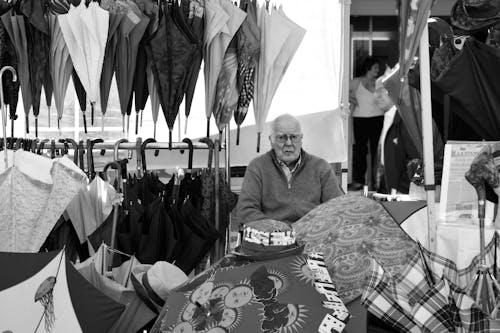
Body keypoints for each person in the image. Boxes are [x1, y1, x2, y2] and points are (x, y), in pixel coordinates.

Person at [235, 114, 343, 224]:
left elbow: (337, 207)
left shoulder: (321, 167)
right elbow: (246, 211)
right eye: (281, 137)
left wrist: (313, 228)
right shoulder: (257, 167)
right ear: (271, 140)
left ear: (301, 138)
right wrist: (279, 229)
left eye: (294, 137)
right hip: (273, 236)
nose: (288, 143)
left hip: (311, 234)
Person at [349, 56, 385, 191]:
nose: (378, 70)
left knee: (377, 150)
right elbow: (342, 93)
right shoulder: (356, 82)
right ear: (368, 68)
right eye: (375, 67)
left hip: (377, 119)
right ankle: (359, 180)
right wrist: (351, 99)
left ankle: (376, 182)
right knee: (361, 150)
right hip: (360, 119)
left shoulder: (380, 82)